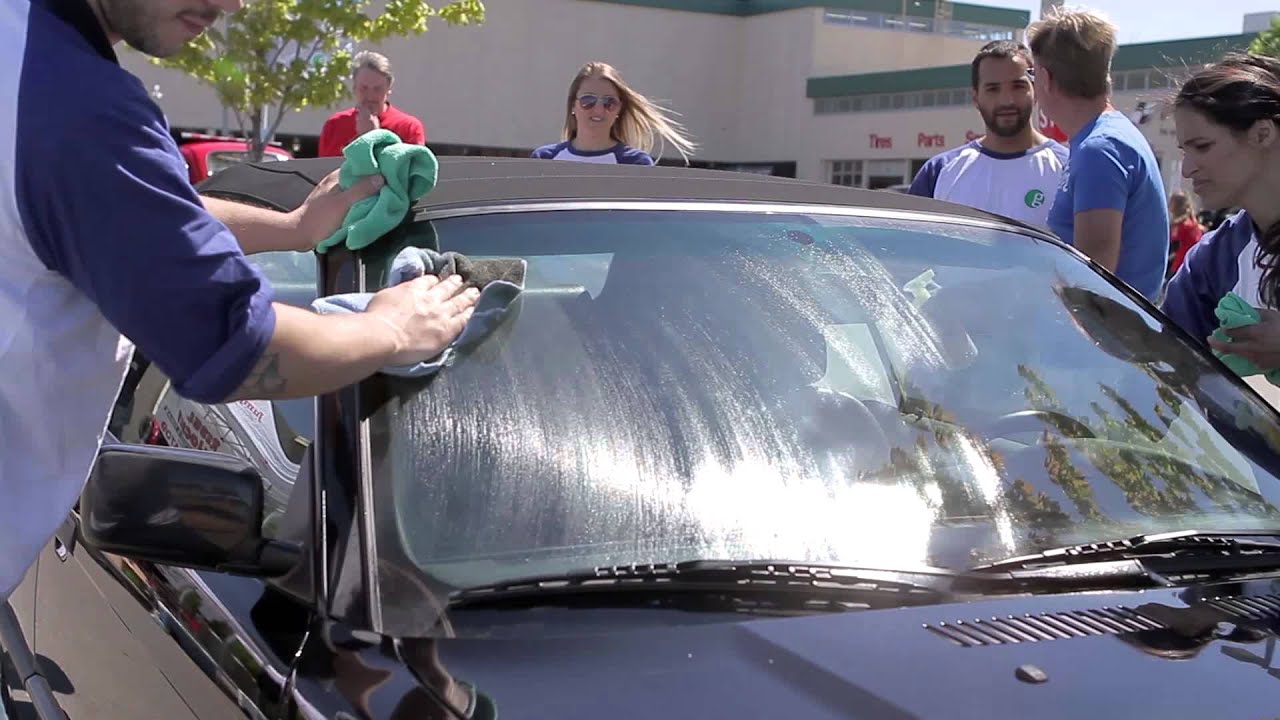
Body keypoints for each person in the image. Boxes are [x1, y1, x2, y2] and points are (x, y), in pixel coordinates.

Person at [0, 0, 480, 603]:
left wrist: (296, 227)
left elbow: (144, 212)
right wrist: (390, 330)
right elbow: (231, 344)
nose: (231, 5)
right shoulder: (78, 107)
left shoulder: (27, 64)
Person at [1026, 5, 1170, 301]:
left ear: (1045, 78)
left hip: (1108, 341)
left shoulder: (1099, 150)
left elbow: (1092, 281)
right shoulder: (1106, 139)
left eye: (1031, 74)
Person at [1161, 53, 1280, 371]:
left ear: (1262, 134)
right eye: (1185, 151)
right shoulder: (1212, 261)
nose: (1187, 170)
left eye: (1202, 146)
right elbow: (1166, 359)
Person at [908, 40, 1068, 229]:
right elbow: (908, 250)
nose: (1006, 100)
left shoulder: (1068, 168)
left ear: (1035, 91)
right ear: (976, 98)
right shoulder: (939, 172)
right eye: (993, 89)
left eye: (1018, 86)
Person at [531, 61, 696, 165]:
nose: (598, 109)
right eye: (588, 101)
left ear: (619, 109)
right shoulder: (544, 159)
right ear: (573, 106)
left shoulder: (634, 163)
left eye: (609, 102)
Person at [318, 50, 426, 157]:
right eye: (363, 88)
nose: (370, 96)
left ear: (388, 89)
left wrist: (373, 136)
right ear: (354, 88)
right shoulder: (334, 124)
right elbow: (324, 170)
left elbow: (411, 170)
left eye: (377, 89)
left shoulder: (409, 127)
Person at [1167, 190, 1205, 278]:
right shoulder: (1193, 224)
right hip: (1193, 266)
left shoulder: (1181, 226)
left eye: (1171, 203)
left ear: (1176, 206)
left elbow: (1173, 247)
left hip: (1181, 266)